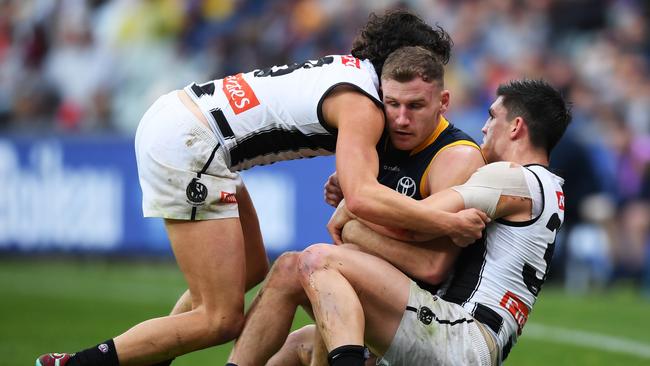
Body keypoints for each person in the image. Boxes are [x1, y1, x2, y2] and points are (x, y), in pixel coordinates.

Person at [36, 10, 488, 366]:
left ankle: (152, 358)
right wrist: (442, 218)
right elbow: (363, 195)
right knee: (221, 317)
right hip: (193, 144)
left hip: (187, 122)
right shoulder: (365, 104)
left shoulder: (349, 74)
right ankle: (76, 364)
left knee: (253, 269)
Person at [226, 45, 485, 366]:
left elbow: (432, 267)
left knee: (319, 263)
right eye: (393, 104)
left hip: (428, 317)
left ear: (443, 102)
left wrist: (354, 223)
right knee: (289, 281)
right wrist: (353, 203)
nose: (402, 119)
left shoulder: (455, 157)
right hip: (374, 293)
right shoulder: (381, 135)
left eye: (416, 106)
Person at [300, 79, 571, 365]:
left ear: (516, 127)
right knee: (301, 343)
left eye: (492, 116)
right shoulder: (549, 187)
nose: (483, 127)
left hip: (462, 332)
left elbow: (416, 221)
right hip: (475, 338)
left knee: (319, 260)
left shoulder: (510, 176)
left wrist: (355, 206)